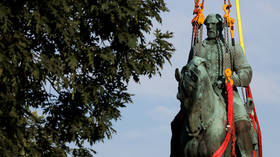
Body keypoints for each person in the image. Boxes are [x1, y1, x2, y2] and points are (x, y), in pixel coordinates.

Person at [188, 13, 254, 157]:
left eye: (214, 24)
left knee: (242, 125)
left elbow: (246, 72)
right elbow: (189, 72)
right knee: (178, 123)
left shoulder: (232, 47)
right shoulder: (197, 48)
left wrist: (233, 80)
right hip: (202, 96)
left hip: (227, 94)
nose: (210, 27)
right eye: (208, 24)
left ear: (221, 26)